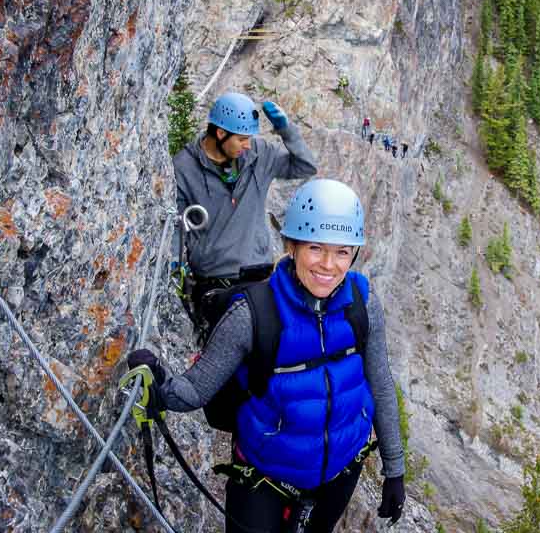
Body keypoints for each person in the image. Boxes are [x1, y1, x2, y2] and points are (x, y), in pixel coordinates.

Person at [128, 179, 406, 533]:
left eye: (342, 252)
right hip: (264, 479)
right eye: (316, 248)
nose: (329, 265)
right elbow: (197, 390)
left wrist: (394, 469)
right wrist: (158, 385)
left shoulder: (362, 303)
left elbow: (380, 384)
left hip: (339, 474)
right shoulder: (252, 314)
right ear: (292, 246)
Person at [173, 91, 317, 325]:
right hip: (215, 280)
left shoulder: (258, 155)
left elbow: (305, 166)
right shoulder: (184, 168)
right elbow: (176, 227)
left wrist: (286, 129)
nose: (247, 145)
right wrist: (174, 266)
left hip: (260, 273)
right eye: (241, 139)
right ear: (220, 133)